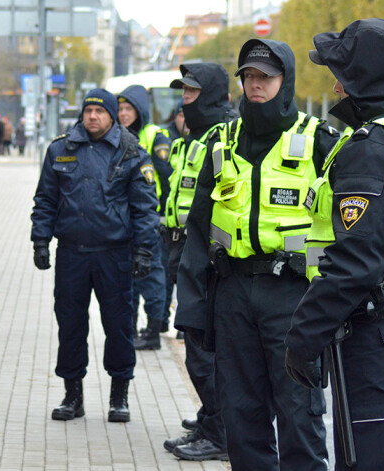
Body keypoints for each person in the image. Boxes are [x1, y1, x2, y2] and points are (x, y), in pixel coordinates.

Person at [285, 19, 384, 471]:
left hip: (373, 332)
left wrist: (304, 335)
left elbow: (358, 260)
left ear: (363, 79)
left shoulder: (372, 148)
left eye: (342, 75)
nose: (335, 88)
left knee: (368, 464)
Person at [175, 38, 339, 471]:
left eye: (265, 77)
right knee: (241, 416)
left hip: (293, 298)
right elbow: (197, 230)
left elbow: (351, 228)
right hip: (233, 297)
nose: (255, 85)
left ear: (285, 82)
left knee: (299, 416)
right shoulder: (221, 143)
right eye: (248, 76)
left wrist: (337, 303)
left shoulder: (320, 141)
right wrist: (191, 307)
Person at [30, 88, 159, 423]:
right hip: (72, 254)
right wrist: (40, 241)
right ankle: (73, 396)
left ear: (112, 116)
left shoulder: (130, 152)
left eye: (100, 112)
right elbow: (45, 199)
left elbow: (145, 208)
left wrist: (144, 250)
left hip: (114, 255)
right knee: (70, 326)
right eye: (88, 110)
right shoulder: (61, 148)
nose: (92, 117)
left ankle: (120, 397)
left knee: (118, 327)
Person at [162, 63, 232, 462]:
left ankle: (220, 434)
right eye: (183, 92)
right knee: (196, 343)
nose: (184, 99)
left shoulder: (223, 135)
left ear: (209, 94)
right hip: (187, 250)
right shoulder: (199, 135)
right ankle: (212, 419)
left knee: (204, 350)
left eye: (191, 92)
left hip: (210, 259)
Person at [117, 85, 172, 349]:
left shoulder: (154, 135)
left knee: (151, 273)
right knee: (131, 276)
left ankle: (153, 331)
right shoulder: (115, 135)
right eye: (120, 109)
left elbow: (165, 175)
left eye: (128, 109)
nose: (123, 114)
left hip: (151, 217)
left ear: (139, 110)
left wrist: (162, 214)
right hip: (126, 217)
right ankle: (132, 329)